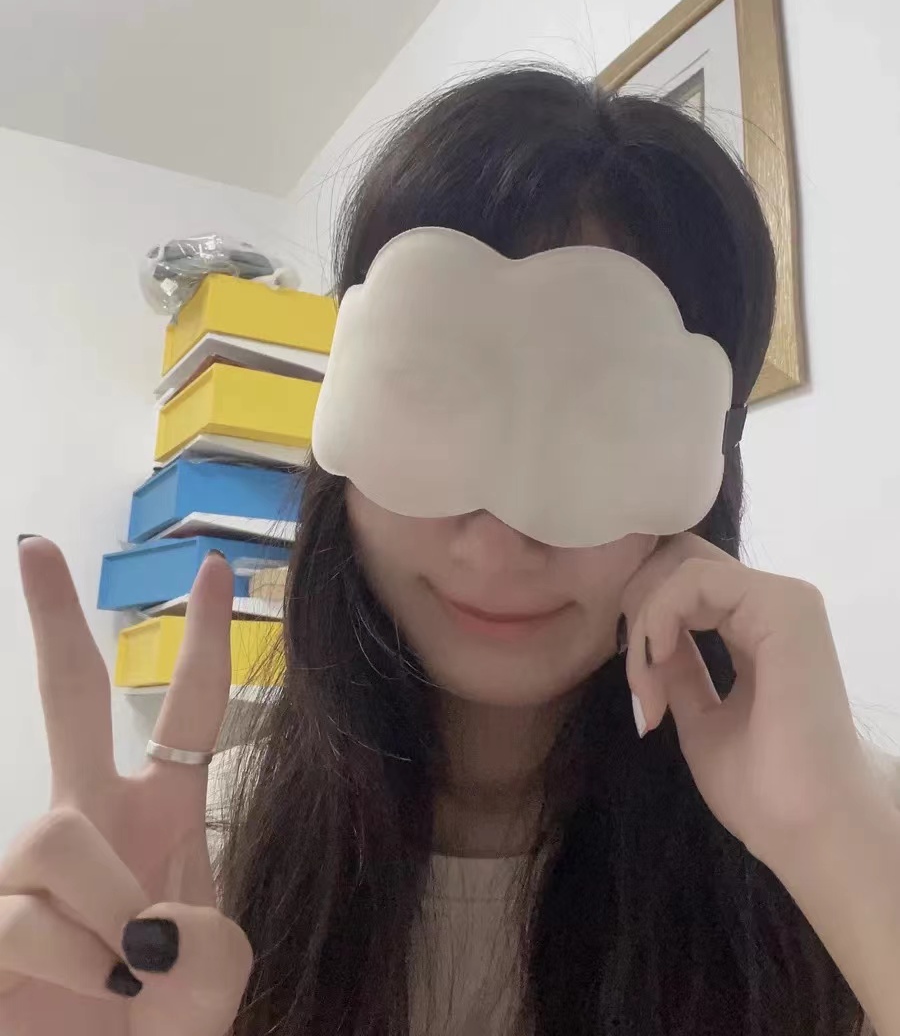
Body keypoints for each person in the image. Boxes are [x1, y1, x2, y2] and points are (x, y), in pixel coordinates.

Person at [1, 66, 898, 1036]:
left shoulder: (835, 840)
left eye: (607, 423)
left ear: (708, 477)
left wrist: (836, 844)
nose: (504, 531)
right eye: (432, 390)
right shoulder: (199, 858)